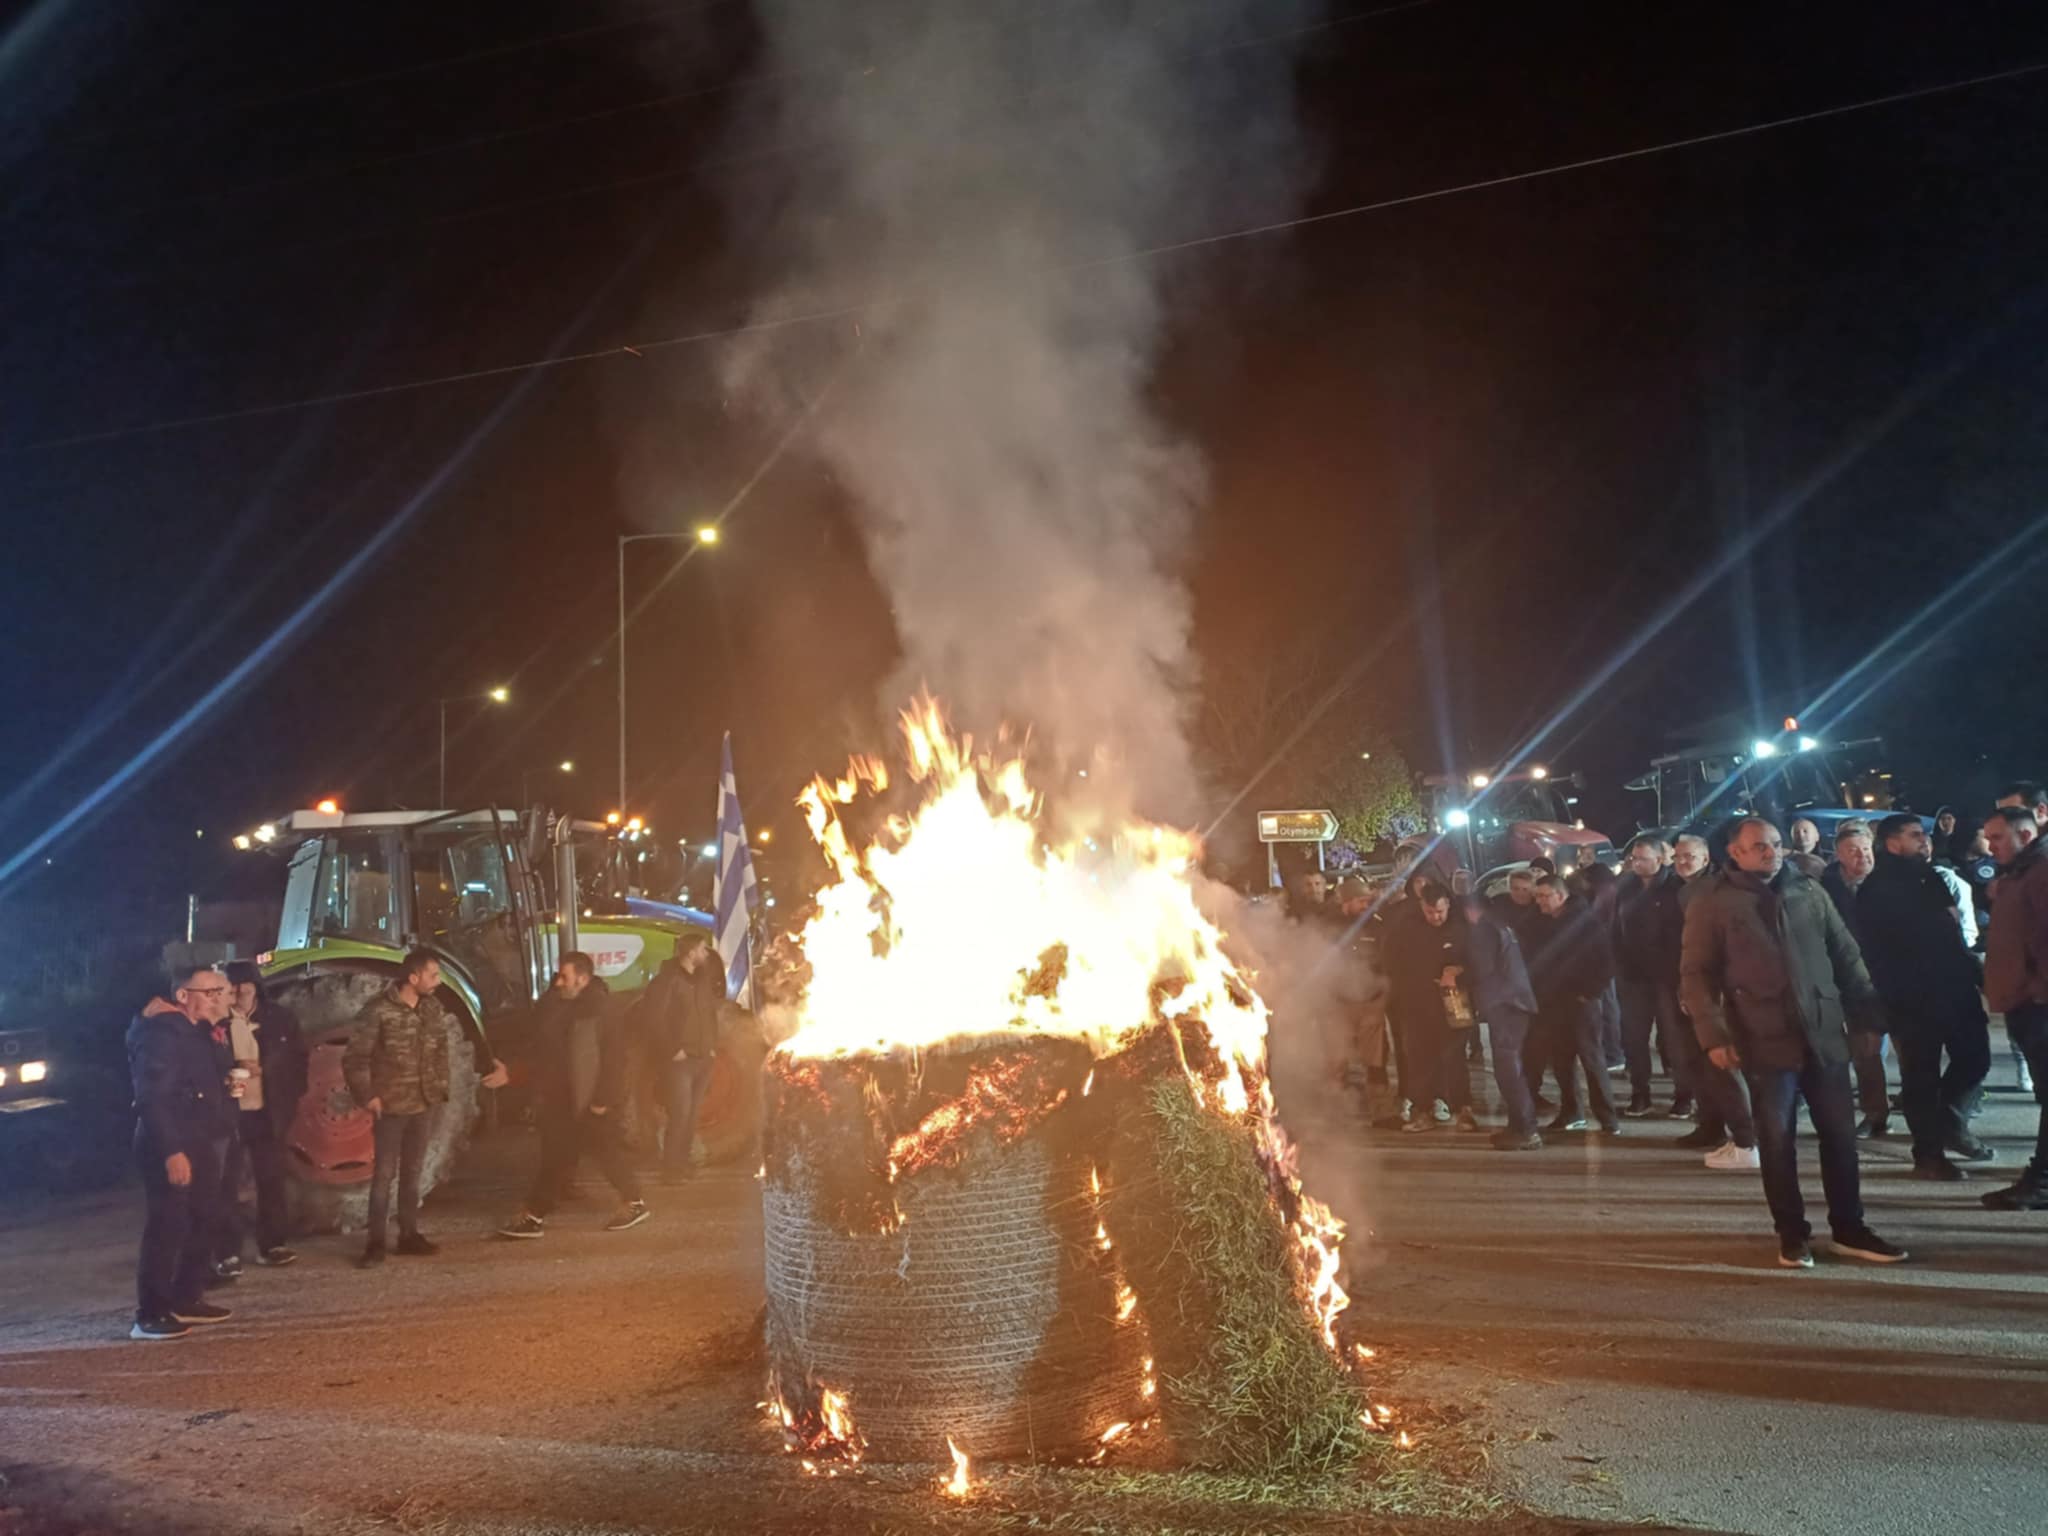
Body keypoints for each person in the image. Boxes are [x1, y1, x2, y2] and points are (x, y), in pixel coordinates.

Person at [1680, 817, 1906, 1268]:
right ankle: (1792, 1233)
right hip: (1763, 1039)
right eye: (1760, 846)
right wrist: (1715, 1035)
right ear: (1736, 853)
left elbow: (1846, 956)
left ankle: (1849, 1228)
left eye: (1776, 844)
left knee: (1840, 1137)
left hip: (1823, 1035)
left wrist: (1867, 1016)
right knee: (1777, 1142)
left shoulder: (1808, 890)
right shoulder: (1714, 903)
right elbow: (1695, 975)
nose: (1772, 852)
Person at [344, 950, 507, 1266]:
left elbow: (440, 1052)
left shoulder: (432, 1009)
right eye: (433, 976)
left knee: (413, 1172)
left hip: (424, 1102)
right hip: (391, 1105)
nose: (438, 982)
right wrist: (369, 1096)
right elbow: (355, 1058)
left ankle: (408, 1235)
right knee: (384, 1176)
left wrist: (440, 1089)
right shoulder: (378, 1011)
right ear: (413, 977)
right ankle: (375, 1243)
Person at [1855, 814, 1992, 1180]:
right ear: (1892, 843)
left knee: (1976, 1059)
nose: (1924, 842)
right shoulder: (1876, 889)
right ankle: (1928, 1154)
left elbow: (1952, 929)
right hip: (1910, 997)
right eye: (1915, 836)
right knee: (1920, 1077)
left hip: (1955, 988)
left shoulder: (1932, 878)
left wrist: (1975, 974)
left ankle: (1947, 1120)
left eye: (1926, 835)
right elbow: (1872, 950)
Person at [497, 952, 651, 1236]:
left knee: (601, 1153)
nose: (558, 982)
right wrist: (514, 1073)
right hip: (562, 1100)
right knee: (559, 1156)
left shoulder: (602, 1012)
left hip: (590, 1102)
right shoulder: (557, 1007)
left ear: (583, 978)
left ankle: (632, 1201)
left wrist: (602, 1101)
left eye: (564, 976)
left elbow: (615, 1061)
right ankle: (535, 1215)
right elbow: (545, 1052)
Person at [127, 967, 237, 1340]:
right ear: (184, 996)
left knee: (205, 1215)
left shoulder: (198, 1032)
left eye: (221, 990)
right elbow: (152, 1097)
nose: (220, 997)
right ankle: (151, 1313)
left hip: (199, 1138)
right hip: (169, 1141)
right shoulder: (161, 1034)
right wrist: (172, 1150)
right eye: (211, 992)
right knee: (167, 1224)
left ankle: (187, 1296)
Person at [217, 961, 308, 1269]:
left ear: (256, 986)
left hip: (266, 1112)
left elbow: (297, 1060)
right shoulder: (215, 1023)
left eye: (246, 983)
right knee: (225, 1182)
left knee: (270, 1179)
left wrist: (267, 1072)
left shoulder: (280, 1019)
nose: (241, 990)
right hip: (228, 1114)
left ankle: (273, 1244)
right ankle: (226, 1251)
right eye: (234, 985)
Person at [1982, 808, 2048, 1210]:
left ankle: (2040, 1182)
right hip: (2026, 1001)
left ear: (2025, 835)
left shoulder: (2040, 873)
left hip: (2038, 1005)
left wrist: (2038, 992)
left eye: (1998, 838)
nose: (1990, 846)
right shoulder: (2022, 872)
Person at [1380, 882, 1478, 1132]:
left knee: (1455, 1058)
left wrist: (1459, 971)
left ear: (1447, 905)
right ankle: (1423, 1110)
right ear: (1421, 908)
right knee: (1420, 1059)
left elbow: (1477, 962)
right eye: (1430, 912)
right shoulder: (1407, 929)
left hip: (1454, 1002)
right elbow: (1391, 962)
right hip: (1417, 1003)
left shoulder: (1461, 928)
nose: (1436, 917)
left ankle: (1463, 1109)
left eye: (1440, 912)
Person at [1526, 874, 1619, 1135]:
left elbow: (1605, 962)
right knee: (1561, 1060)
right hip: (1552, 1002)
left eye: (1545, 896)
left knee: (1591, 1058)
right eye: (1537, 896)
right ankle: (1572, 1111)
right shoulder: (1542, 922)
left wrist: (1588, 993)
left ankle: (1608, 1118)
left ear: (1561, 895)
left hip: (1580, 1002)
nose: (1540, 902)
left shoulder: (1585, 923)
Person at [1612, 837, 1692, 1120]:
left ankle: (1684, 1095)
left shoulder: (1676, 888)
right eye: (1634, 858)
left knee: (1675, 1040)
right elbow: (1615, 928)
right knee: (1634, 1039)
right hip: (1634, 977)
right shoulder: (1626, 888)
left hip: (1668, 977)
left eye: (1643, 859)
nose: (1636, 863)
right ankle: (1640, 1093)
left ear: (1660, 860)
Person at [1458, 891, 1543, 1149]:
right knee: (1511, 1067)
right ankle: (1517, 1126)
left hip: (1505, 1005)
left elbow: (1482, 969)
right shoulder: (1501, 925)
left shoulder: (1483, 930)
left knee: (1508, 1070)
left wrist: (1458, 976)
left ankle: (1527, 1131)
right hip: (1516, 1002)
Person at [1820, 821, 1889, 1137]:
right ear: (1838, 855)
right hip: (1850, 981)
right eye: (1853, 851)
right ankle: (1875, 1114)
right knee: (1865, 1051)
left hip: (1893, 978)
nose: (1862, 856)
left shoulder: (1890, 881)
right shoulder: (1825, 888)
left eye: (1866, 849)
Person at [643, 940, 726, 1182]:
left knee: (691, 1115)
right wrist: (672, 1050)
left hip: (702, 1058)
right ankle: (670, 1169)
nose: (705, 953)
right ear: (690, 953)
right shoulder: (666, 982)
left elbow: (710, 1016)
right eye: (701, 949)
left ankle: (683, 1164)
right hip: (680, 1061)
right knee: (679, 1114)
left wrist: (712, 1048)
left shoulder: (702, 981)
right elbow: (654, 1019)